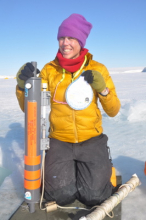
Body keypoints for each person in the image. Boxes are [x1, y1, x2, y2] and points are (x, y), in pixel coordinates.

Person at [16, 13, 121, 207]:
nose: (65, 43)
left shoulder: (98, 69)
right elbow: (29, 109)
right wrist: (24, 86)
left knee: (94, 196)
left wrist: (103, 89)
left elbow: (113, 110)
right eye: (62, 38)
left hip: (91, 139)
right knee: (59, 196)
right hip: (59, 141)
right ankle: (72, 168)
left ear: (81, 41)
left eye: (71, 38)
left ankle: (105, 170)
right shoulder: (49, 70)